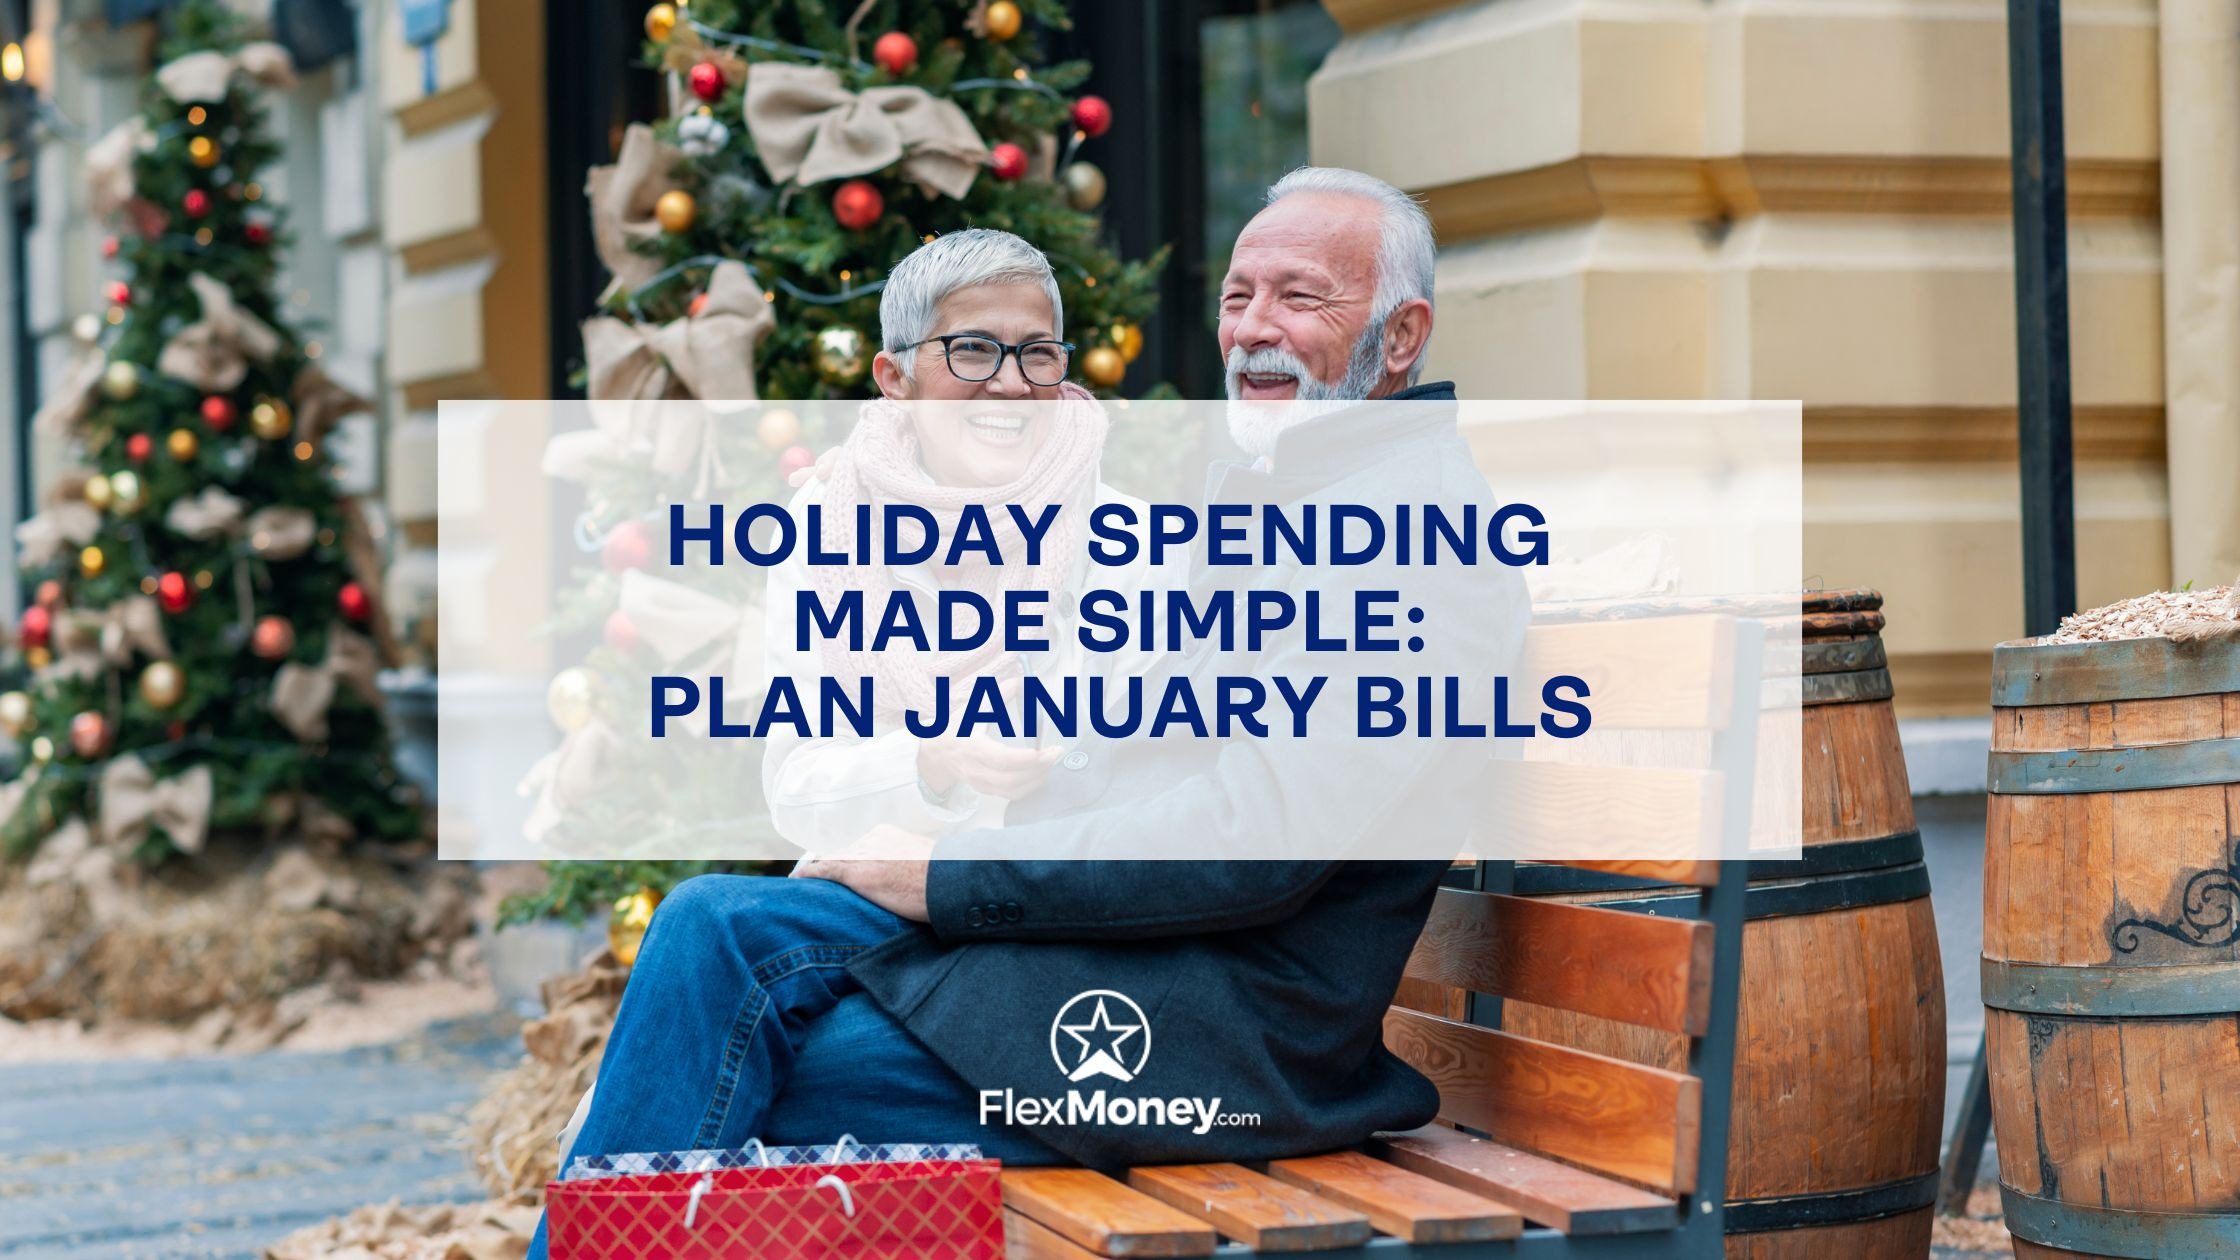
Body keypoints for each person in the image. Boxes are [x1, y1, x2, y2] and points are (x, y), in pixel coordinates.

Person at [527, 169, 1526, 1258]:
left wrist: (944, 878)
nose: (1251, 330)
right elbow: (1131, 757)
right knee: (714, 926)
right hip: (1129, 950)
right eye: (1237, 296)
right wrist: (937, 799)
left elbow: (1254, 845)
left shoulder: (1417, 542)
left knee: (747, 1059)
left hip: (1222, 1033)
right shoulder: (1281, 498)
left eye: (1298, 298)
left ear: (1397, 337)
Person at [758, 229, 1157, 854]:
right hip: (875, 897)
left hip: (1042, 903)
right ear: (896, 377)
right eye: (972, 350)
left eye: (1039, 353)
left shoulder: (1132, 543)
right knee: (705, 917)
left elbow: (1146, 787)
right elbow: (794, 791)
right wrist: (929, 762)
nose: (1012, 383)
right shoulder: (825, 524)